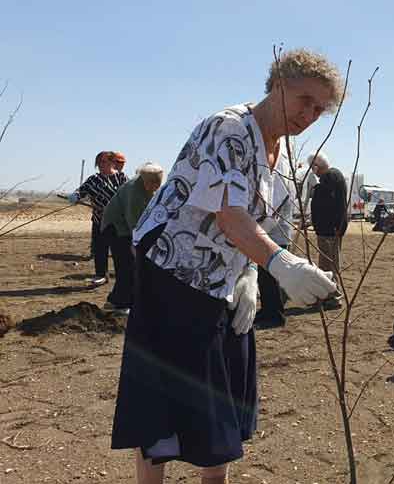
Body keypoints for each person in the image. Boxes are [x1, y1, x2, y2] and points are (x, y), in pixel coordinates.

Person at [111, 49, 344, 484]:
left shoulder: (281, 156)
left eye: (320, 108)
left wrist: (248, 273)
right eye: (304, 100)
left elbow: (262, 222)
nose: (310, 114)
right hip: (172, 275)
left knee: (219, 403)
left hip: (220, 280)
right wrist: (280, 265)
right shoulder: (231, 129)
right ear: (278, 85)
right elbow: (228, 212)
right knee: (162, 406)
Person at [99, 162, 165, 314]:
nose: (155, 188)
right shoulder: (134, 191)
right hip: (116, 228)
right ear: (145, 180)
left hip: (127, 228)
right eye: (152, 184)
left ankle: (116, 300)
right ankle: (120, 304)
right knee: (126, 265)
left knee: (130, 265)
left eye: (158, 185)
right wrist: (135, 244)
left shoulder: (148, 187)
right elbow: (133, 221)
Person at [68, 151, 128, 285]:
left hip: (118, 222)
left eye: (104, 162)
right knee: (100, 249)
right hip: (99, 220)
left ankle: (122, 277)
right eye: (99, 162)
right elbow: (82, 191)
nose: (101, 165)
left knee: (119, 251)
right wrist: (75, 196)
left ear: (113, 162)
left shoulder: (122, 178)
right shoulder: (93, 179)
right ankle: (101, 275)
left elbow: (128, 196)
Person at [254, 142, 297, 328]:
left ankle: (274, 314)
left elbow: (273, 214)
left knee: (269, 278)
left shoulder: (281, 184)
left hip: (275, 237)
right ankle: (269, 309)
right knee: (267, 279)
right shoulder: (286, 181)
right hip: (278, 235)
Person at [308, 152, 348, 274]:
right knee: (330, 263)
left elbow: (323, 202)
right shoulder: (335, 175)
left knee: (328, 266)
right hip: (332, 228)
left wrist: (315, 186)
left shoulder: (329, 177)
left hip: (329, 230)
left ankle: (331, 291)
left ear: (316, 166)